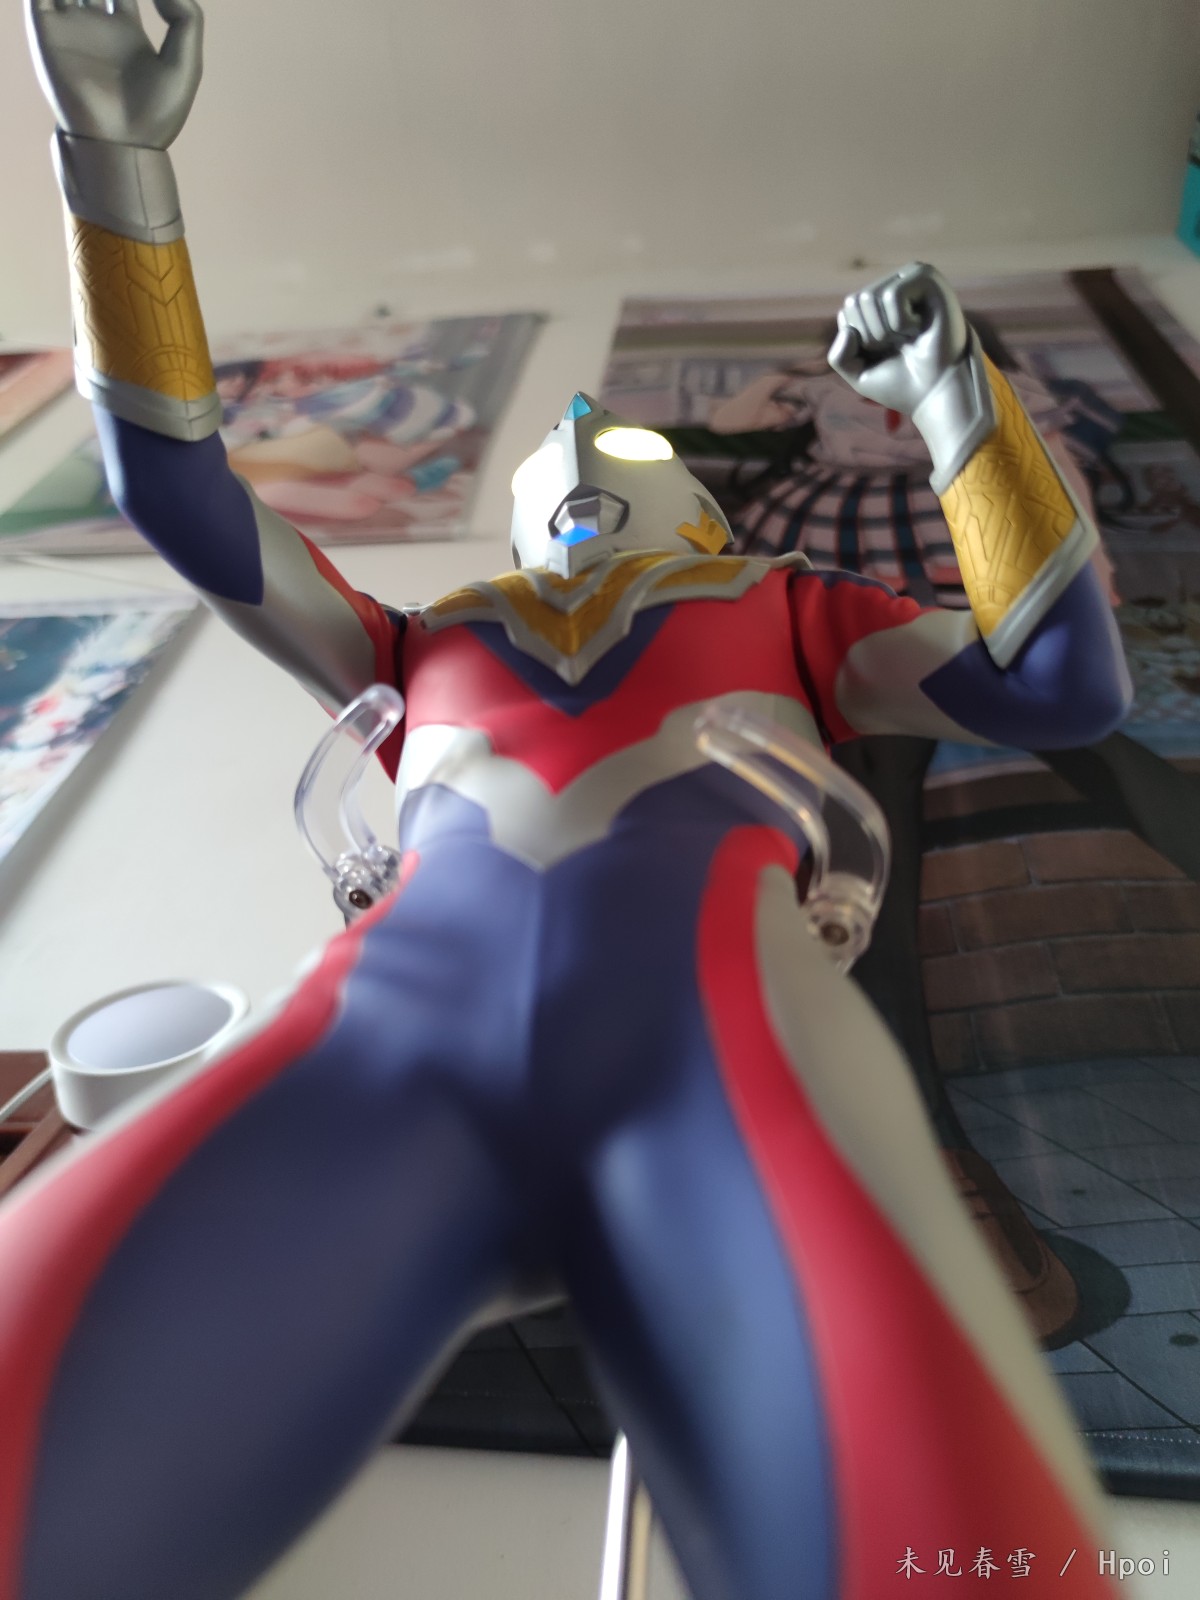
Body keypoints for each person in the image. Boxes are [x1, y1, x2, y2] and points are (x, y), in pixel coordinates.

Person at [9, 3, 1130, 1597]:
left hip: (727, 1056)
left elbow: (1062, 681)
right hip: (389, 1056)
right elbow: (175, 492)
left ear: (702, 512)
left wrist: (963, 405)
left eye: (626, 436)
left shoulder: (788, 604)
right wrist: (113, 162)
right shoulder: (412, 639)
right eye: (561, 441)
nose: (585, 429)